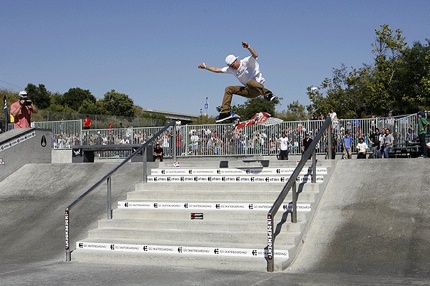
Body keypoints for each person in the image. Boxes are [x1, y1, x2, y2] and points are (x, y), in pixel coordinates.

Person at [198, 41, 277, 123]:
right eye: (230, 66)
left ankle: (268, 94)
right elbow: (217, 70)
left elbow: (255, 55)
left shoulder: (246, 61)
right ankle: (225, 112)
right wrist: (205, 67)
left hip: (257, 88)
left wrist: (248, 47)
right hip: (248, 91)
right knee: (229, 89)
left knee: (249, 82)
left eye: (232, 65)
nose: (232, 68)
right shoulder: (231, 69)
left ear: (236, 61)